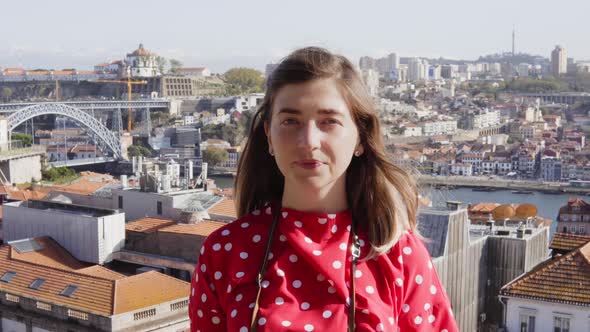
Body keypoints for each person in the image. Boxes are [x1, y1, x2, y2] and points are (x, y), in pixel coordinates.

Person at [189, 47, 459, 331]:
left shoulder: (397, 255)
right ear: (269, 135)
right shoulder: (224, 253)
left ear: (360, 137)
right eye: (290, 121)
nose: (309, 140)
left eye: (329, 121)